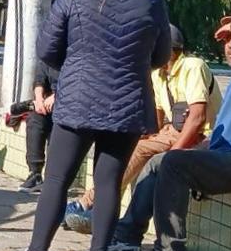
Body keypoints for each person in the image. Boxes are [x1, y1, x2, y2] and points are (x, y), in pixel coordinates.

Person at [0, 0, 171, 251]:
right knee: (109, 183)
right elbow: (161, 55)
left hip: (78, 99)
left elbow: (46, 50)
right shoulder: (151, 2)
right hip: (125, 104)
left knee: (57, 179)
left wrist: (75, 64)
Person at [139, 10, 231, 251]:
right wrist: (200, 148)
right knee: (159, 161)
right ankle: (126, 236)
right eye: (225, 40)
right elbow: (221, 137)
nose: (229, 45)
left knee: (174, 163)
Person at [65, 25, 221, 233]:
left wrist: (173, 153)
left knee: (147, 157)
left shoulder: (192, 66)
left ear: (168, 50)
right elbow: (155, 119)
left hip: (203, 136)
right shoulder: (159, 74)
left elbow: (197, 118)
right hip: (172, 132)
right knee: (131, 149)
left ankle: (91, 205)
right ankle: (101, 211)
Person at [19, 61, 59, 193]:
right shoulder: (50, 55)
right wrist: (39, 98)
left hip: (70, 102)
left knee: (58, 127)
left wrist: (57, 96)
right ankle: (35, 174)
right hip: (49, 103)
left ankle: (53, 177)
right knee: (35, 119)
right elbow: (40, 78)